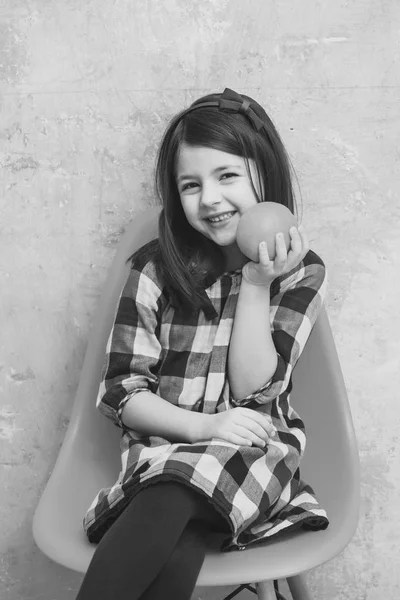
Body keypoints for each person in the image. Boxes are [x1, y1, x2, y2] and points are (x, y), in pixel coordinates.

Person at [76, 87, 329, 600]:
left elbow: (254, 389)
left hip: (254, 454)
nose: (209, 198)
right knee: (177, 511)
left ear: (266, 173)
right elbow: (122, 395)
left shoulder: (301, 273)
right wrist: (204, 426)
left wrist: (257, 284)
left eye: (227, 176)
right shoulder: (153, 270)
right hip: (168, 448)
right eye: (190, 184)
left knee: (174, 491)